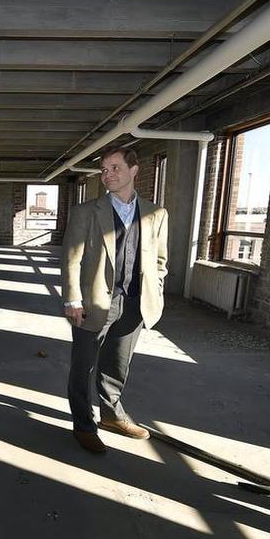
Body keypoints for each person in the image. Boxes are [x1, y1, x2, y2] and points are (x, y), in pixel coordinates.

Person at [62, 146, 168, 454]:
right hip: (94, 304)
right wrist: (72, 299)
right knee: (83, 367)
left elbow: (160, 261)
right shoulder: (86, 212)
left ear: (134, 170)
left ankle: (111, 415)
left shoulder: (156, 213)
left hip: (135, 303)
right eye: (104, 170)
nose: (108, 175)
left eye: (115, 168)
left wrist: (156, 291)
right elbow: (71, 259)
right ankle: (84, 426)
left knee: (117, 366)